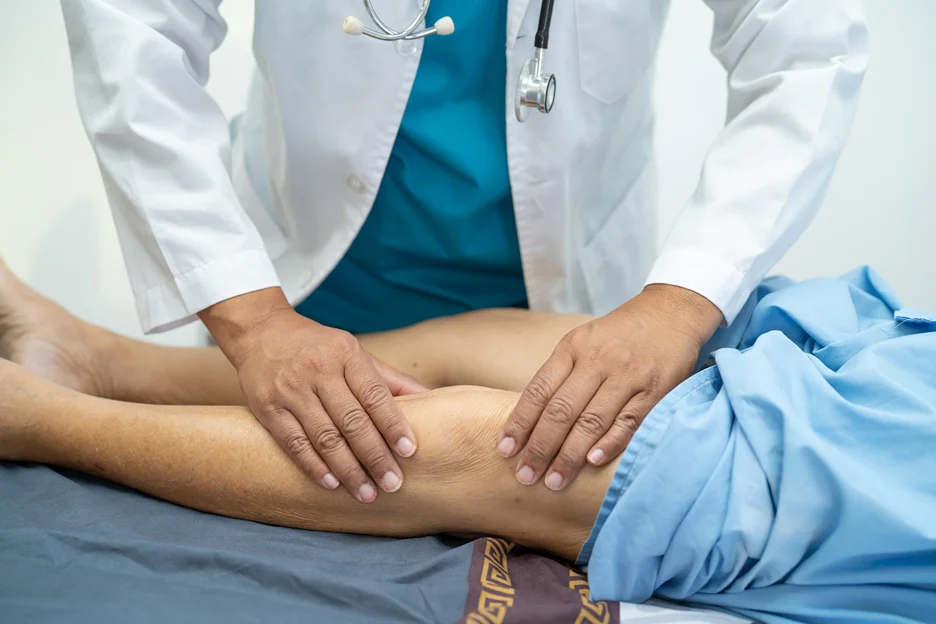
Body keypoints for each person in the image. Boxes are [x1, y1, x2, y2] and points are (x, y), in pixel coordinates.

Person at [59, 0, 870, 499]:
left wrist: (681, 301)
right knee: (319, 447)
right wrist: (252, 321)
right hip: (302, 280)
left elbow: (809, 52)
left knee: (451, 470)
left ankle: (63, 381)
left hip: (557, 308)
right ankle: (59, 390)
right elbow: (131, 30)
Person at [1, 259, 935, 624]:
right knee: (490, 347)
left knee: (497, 444)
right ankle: (99, 358)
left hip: (891, 477)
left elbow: (802, 56)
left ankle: (37, 417)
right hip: (898, 360)